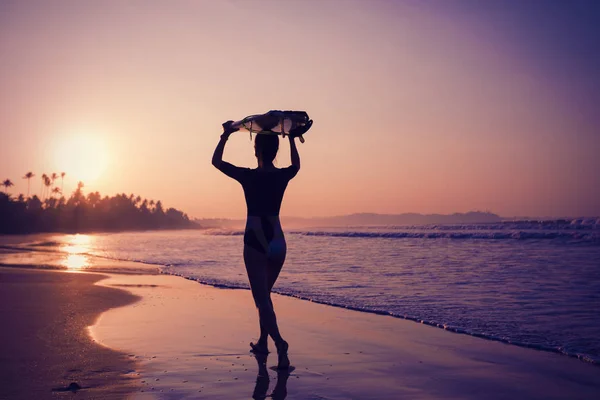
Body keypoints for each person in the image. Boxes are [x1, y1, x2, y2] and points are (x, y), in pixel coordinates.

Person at [211, 117, 313, 369]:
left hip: (255, 238)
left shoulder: (247, 176)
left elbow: (216, 162)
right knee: (265, 295)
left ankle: (279, 343)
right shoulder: (283, 176)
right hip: (277, 239)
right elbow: (296, 165)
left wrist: (226, 134)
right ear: (275, 150)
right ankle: (262, 342)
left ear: (255, 150)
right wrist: (290, 137)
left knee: (261, 298)